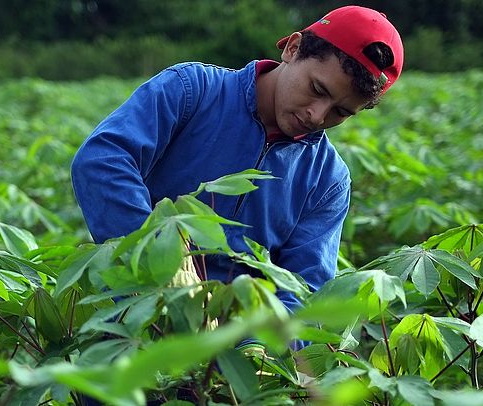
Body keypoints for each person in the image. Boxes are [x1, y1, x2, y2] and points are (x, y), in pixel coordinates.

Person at [71, 6, 404, 326]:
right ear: (293, 47)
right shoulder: (190, 91)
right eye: (316, 89)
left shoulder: (328, 180)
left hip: (227, 358)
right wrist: (158, 259)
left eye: (340, 113)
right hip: (128, 315)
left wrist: (254, 349)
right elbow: (102, 160)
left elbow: (302, 290)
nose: (316, 115)